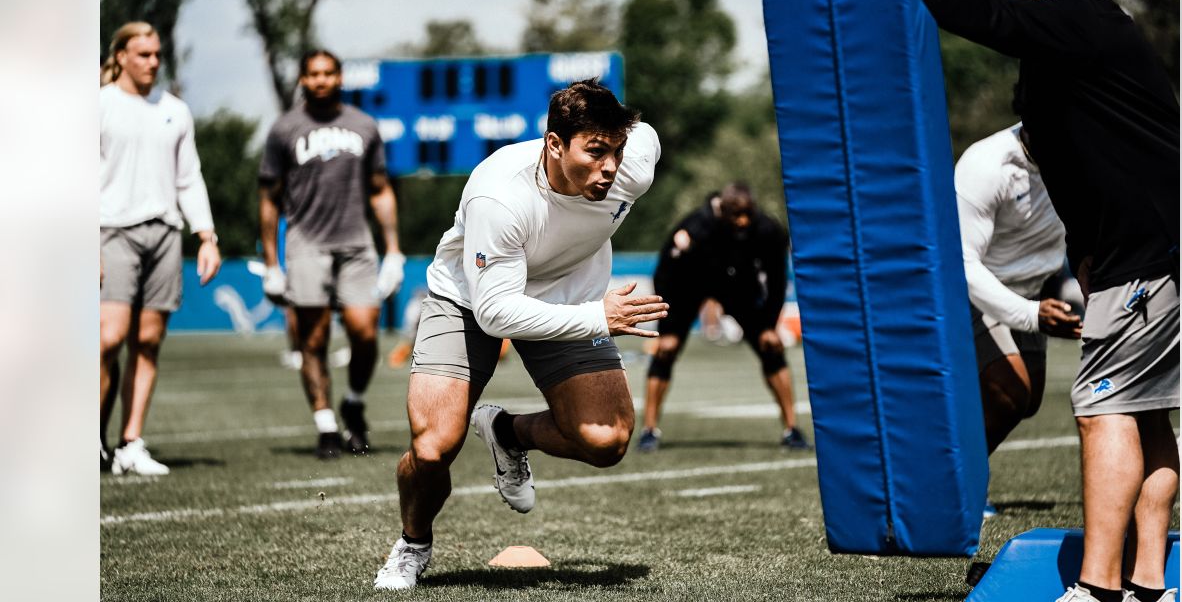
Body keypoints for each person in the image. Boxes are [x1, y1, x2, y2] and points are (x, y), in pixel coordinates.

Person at [839, 0, 1179, 602]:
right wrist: (1087, 254)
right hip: (1148, 249)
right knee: (1144, 412)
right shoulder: (1059, 47)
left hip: (1151, 251)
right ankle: (1146, 586)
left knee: (1103, 408)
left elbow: (996, 21)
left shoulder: (1080, 18)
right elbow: (1086, 164)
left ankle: (1099, 590)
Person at [373, 79, 667, 590]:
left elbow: (645, 137)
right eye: (595, 152)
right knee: (433, 447)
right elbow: (496, 315)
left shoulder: (632, 164)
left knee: (608, 440)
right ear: (554, 144)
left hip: (569, 296)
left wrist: (591, 312)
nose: (610, 168)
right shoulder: (500, 196)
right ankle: (413, 543)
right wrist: (600, 318)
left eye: (616, 151)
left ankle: (506, 432)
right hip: (471, 298)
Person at [259, 50, 405, 460]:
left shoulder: (364, 125)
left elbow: (380, 189)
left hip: (357, 243)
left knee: (364, 330)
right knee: (315, 338)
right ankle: (325, 425)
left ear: (340, 77)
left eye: (328, 73)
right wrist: (272, 264)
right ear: (303, 79)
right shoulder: (284, 129)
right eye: (313, 74)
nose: (321, 80)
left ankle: (354, 402)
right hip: (306, 244)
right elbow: (268, 199)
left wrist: (392, 249)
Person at [100, 21, 223, 475]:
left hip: (165, 233)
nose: (153, 62)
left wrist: (205, 236)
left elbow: (188, 177)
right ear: (121, 56)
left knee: (147, 342)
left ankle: (130, 443)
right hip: (109, 231)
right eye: (143, 54)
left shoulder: (175, 110)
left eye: (157, 54)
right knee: (107, 339)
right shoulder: (99, 105)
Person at [955, 123, 1080, 517]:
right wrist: (1030, 315)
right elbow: (964, 263)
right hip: (979, 290)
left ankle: (949, 454)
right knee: (1010, 393)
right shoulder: (986, 164)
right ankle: (954, 488)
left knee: (1027, 402)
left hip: (1037, 287)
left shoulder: (1082, 148)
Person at [636, 182, 810, 452]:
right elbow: (665, 274)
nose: (742, 222)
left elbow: (776, 281)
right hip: (690, 284)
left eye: (747, 215)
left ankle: (792, 429)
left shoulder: (766, 230)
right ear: (722, 213)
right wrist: (667, 328)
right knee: (666, 352)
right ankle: (648, 430)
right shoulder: (697, 225)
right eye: (735, 216)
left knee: (771, 348)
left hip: (737, 285)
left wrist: (769, 326)